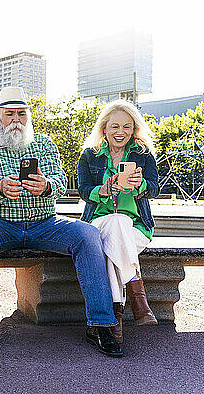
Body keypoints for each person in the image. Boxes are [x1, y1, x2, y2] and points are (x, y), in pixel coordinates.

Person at [0, 87, 123, 357]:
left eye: (21, 114)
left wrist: (46, 185)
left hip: (43, 222)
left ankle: (101, 325)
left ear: (29, 116)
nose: (16, 120)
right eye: (9, 114)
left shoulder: (45, 143)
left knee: (88, 235)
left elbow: (60, 182)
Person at [78, 99, 159, 344]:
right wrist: (101, 191)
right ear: (104, 129)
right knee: (114, 222)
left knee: (119, 226)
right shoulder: (90, 155)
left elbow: (154, 189)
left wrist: (141, 185)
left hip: (135, 228)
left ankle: (115, 319)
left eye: (127, 127)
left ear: (134, 129)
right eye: (114, 126)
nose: (120, 132)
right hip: (98, 223)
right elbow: (83, 190)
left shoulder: (143, 155)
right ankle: (137, 296)